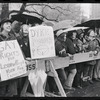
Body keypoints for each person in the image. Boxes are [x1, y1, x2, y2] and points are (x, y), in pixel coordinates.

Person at [0, 18, 17, 96]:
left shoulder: (13, 37)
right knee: (2, 91)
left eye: (10, 24)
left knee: (12, 90)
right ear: (2, 26)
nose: (9, 25)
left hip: (12, 68)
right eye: (7, 24)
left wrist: (23, 59)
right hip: (2, 68)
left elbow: (18, 50)